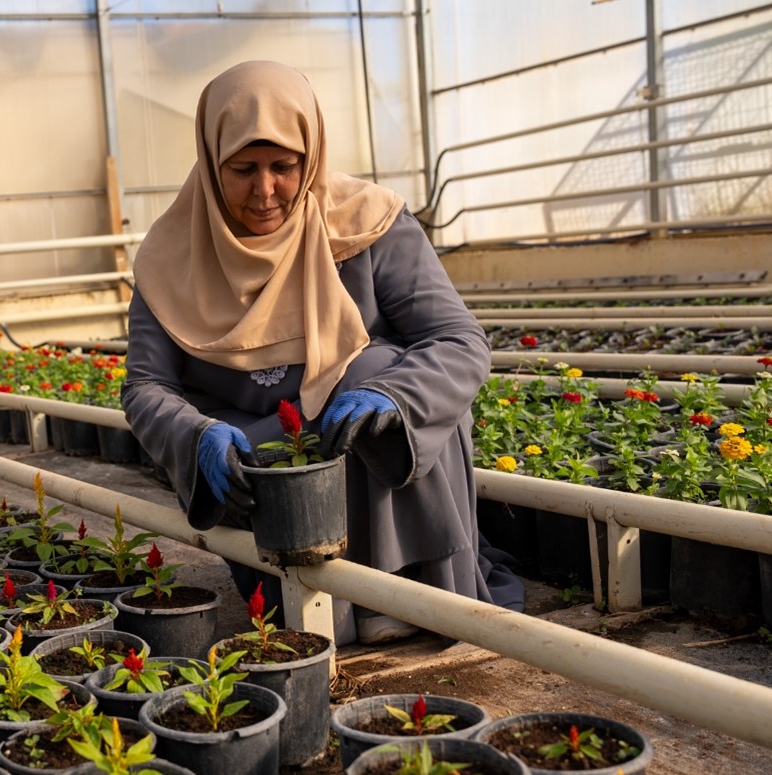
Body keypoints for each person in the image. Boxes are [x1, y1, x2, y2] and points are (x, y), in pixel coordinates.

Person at [121, 60, 523, 646]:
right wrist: (196, 433)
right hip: (258, 461)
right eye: (242, 169)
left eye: (284, 167)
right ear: (211, 163)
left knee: (379, 373)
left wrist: (392, 396)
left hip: (365, 451)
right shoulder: (170, 258)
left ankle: (408, 590)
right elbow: (145, 386)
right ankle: (321, 608)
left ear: (310, 156)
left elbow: (459, 341)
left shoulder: (367, 223)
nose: (265, 191)